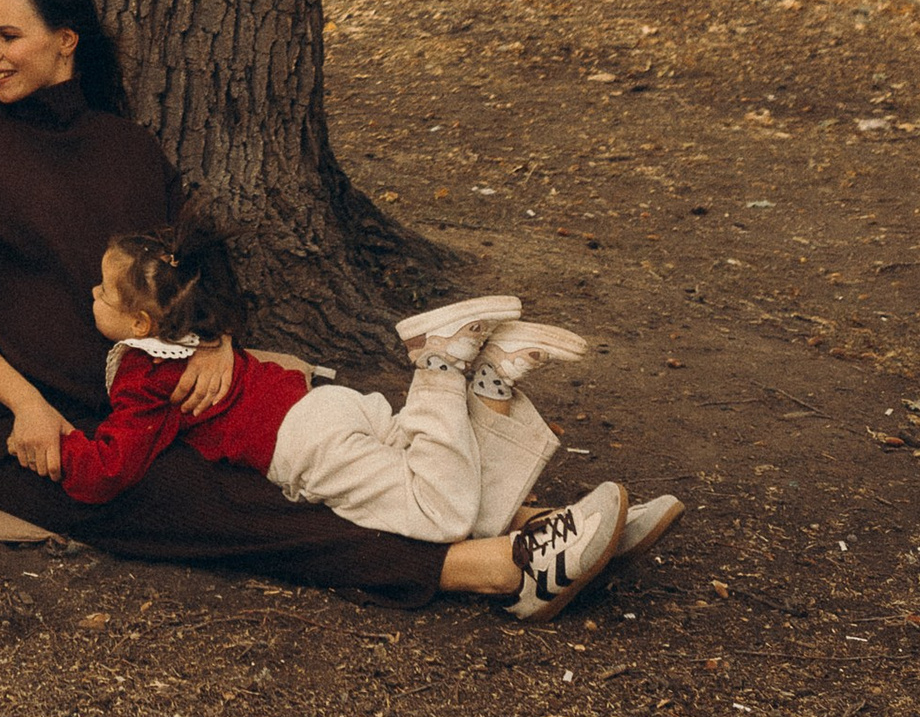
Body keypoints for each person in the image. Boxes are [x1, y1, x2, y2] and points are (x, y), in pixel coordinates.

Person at [0, 0, 639, 617]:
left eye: (7, 36)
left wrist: (215, 339)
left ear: (66, 39)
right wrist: (24, 406)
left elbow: (195, 261)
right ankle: (484, 566)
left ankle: (514, 516)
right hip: (19, 432)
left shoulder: (130, 149)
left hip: (153, 398)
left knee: (310, 453)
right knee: (215, 504)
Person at [63, 225, 599, 551]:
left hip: (303, 445)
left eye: (103, 293)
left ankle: (440, 363)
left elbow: (113, 466)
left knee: (442, 513)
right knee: (454, 478)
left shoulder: (147, 376)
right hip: (323, 401)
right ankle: (492, 380)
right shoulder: (201, 331)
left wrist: (61, 449)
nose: (91, 292)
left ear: (139, 326)